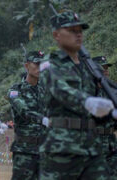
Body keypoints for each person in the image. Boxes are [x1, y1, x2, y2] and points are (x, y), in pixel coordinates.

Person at [38, 11, 114, 179]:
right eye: (72, 30)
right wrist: (87, 101)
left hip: (92, 146)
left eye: (80, 30)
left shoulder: (91, 68)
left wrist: (111, 112)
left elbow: (100, 103)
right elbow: (61, 90)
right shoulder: (49, 66)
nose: (78, 34)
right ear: (56, 35)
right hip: (62, 147)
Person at [8, 51, 47, 180]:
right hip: (24, 151)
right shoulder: (16, 90)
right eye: (36, 64)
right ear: (26, 66)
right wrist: (42, 119)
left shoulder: (46, 89)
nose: (39, 67)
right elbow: (24, 111)